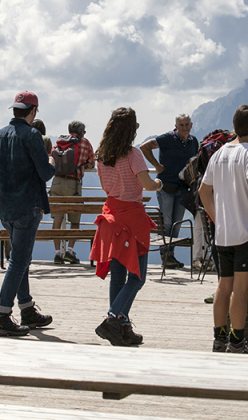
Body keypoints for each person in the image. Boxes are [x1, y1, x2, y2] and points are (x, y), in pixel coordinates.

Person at [198, 105, 248, 354]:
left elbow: (203, 191)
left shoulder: (219, 153)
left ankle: (219, 339)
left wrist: (218, 219)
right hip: (247, 233)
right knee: (242, 290)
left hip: (224, 235)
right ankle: (237, 341)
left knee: (223, 287)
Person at [90, 108, 162, 346]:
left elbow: (106, 187)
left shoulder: (102, 155)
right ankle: (112, 318)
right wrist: (159, 183)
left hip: (111, 217)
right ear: (131, 130)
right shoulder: (133, 154)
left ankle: (122, 328)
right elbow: (148, 185)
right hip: (132, 219)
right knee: (138, 278)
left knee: (118, 277)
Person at [0, 91, 56, 337]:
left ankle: (27, 308)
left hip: (4, 207)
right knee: (19, 261)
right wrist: (51, 159)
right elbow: (46, 173)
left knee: (20, 258)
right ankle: (2, 316)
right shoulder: (32, 135)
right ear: (33, 111)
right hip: (28, 206)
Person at [141, 113, 199, 270]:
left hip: (183, 188)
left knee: (177, 224)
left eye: (187, 124)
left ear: (191, 125)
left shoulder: (193, 142)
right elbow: (144, 147)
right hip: (166, 188)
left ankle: (170, 256)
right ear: (176, 126)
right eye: (181, 125)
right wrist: (156, 164)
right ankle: (165, 256)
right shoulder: (167, 138)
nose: (184, 128)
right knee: (167, 223)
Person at [50, 120, 95, 265]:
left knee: (57, 219)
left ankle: (57, 253)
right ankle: (69, 252)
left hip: (56, 182)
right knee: (74, 220)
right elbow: (91, 162)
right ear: (82, 131)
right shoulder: (85, 143)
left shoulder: (59, 142)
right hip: (73, 184)